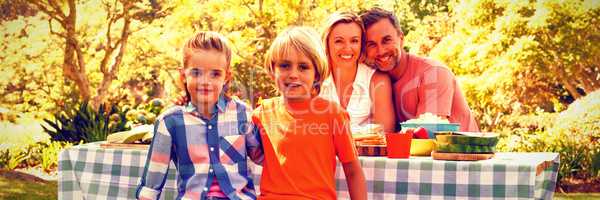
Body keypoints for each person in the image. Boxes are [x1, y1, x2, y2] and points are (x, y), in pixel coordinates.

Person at [136, 31, 263, 200]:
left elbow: (262, 157)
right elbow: (152, 181)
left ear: (226, 77)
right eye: (196, 73)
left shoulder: (242, 114)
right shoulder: (170, 122)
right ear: (183, 76)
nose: (205, 81)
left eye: (215, 74)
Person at [253, 26, 367, 200]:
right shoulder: (261, 114)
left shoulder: (333, 114)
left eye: (303, 67)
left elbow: (352, 171)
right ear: (272, 70)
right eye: (284, 66)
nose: (293, 74)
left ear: (316, 74)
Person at [360, 8, 480, 131]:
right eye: (371, 44)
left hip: (460, 149)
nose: (381, 51)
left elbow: (428, 134)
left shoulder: (434, 73)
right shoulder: (374, 79)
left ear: (401, 39)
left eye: (387, 40)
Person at [319, 11, 396, 133]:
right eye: (339, 41)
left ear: (361, 44)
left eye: (354, 41)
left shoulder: (377, 80)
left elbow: (384, 135)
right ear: (327, 43)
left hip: (364, 152)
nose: (347, 48)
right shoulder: (316, 78)